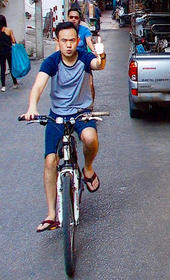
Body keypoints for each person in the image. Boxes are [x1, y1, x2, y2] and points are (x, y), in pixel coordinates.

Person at [22, 21, 107, 232]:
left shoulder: (85, 58)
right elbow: (39, 85)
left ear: (78, 41)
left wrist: (102, 56)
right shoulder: (52, 62)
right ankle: (52, 214)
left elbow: (99, 65)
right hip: (57, 115)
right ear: (57, 42)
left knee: (90, 138)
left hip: (81, 113)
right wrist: (32, 106)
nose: (68, 45)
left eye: (72, 40)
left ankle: (87, 169)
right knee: (50, 160)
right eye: (64, 41)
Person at [64, 7, 97, 103]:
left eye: (76, 17)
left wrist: (94, 51)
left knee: (89, 83)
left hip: (82, 60)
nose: (73, 19)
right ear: (68, 18)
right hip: (68, 61)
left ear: (79, 19)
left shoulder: (84, 30)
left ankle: (90, 107)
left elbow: (89, 42)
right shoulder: (63, 30)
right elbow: (59, 46)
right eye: (71, 17)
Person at [0, 15, 19, 92]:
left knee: (2, 68)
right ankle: (15, 83)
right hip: (8, 51)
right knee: (11, 67)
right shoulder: (8, 30)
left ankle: (3, 86)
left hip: (0, 52)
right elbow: (14, 41)